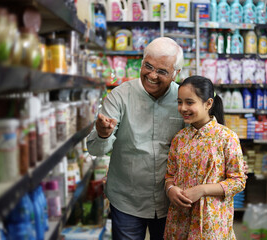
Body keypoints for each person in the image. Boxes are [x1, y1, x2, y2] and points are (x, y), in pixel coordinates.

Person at [86, 37, 185, 239]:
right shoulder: (119, 96)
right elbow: (94, 150)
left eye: (162, 71)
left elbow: (204, 137)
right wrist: (103, 134)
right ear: (142, 62)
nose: (152, 75)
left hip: (171, 202)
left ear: (176, 74)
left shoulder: (184, 100)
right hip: (127, 201)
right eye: (148, 66)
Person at [164, 76, 246, 239]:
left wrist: (202, 190)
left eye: (189, 102)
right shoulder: (179, 138)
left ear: (208, 103)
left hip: (211, 223)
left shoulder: (227, 137)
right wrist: (170, 189)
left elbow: (238, 181)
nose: (183, 108)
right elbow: (170, 174)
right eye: (179, 102)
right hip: (179, 221)